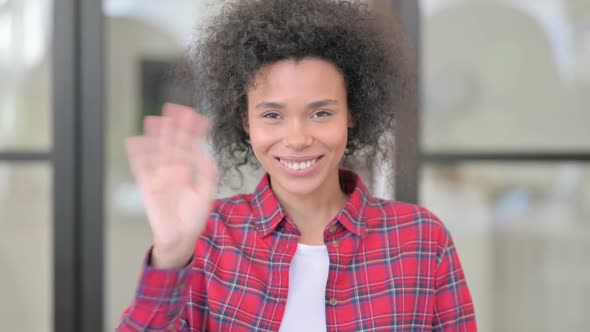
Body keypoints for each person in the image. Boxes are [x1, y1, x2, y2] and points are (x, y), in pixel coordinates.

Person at [118, 0, 477, 331]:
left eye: (320, 113)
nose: (297, 138)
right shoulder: (208, 239)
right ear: (245, 119)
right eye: (272, 115)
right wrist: (170, 254)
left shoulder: (421, 240)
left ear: (352, 113)